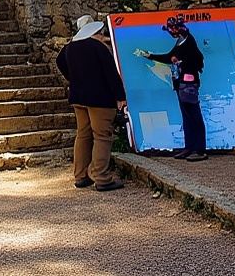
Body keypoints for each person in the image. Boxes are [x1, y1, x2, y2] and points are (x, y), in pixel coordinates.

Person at [56, 15, 127, 191]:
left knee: (83, 135)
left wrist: (72, 79)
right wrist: (120, 96)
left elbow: (59, 62)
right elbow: (111, 74)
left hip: (78, 97)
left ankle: (80, 175)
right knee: (102, 136)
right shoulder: (98, 47)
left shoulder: (69, 48)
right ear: (95, 31)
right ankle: (101, 177)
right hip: (100, 99)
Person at [135, 15, 207, 161]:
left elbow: (191, 60)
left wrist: (179, 62)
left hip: (189, 83)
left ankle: (199, 149)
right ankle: (189, 147)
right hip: (180, 83)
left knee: (194, 115)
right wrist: (150, 56)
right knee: (187, 116)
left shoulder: (188, 41)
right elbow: (170, 57)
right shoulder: (181, 41)